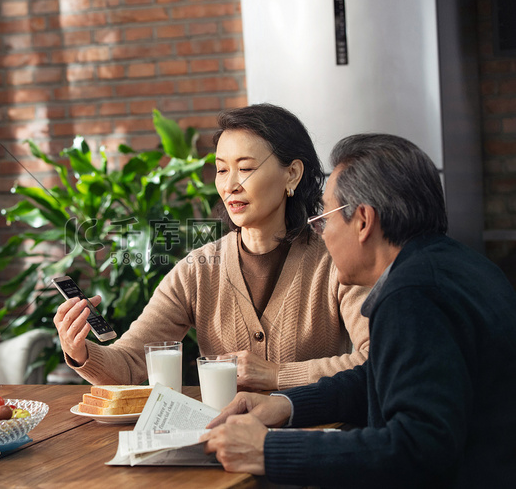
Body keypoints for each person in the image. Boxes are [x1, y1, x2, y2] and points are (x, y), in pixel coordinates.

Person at [200, 133, 516, 487]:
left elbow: (418, 448)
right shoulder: (461, 265)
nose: (321, 233)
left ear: (363, 221)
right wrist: (287, 405)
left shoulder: (411, 296)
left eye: (326, 217)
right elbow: (385, 378)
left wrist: (268, 450)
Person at [53, 104, 370, 391]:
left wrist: (276, 375)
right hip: (224, 442)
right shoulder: (197, 269)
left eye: (245, 168)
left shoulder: (338, 261)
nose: (230, 184)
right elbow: (128, 364)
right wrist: (79, 349)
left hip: (313, 442)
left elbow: (374, 361)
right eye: (221, 169)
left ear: (292, 174)